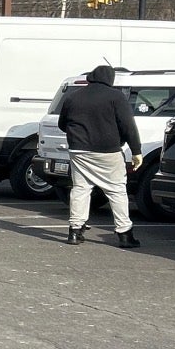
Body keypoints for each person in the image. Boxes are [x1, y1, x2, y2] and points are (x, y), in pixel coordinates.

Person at [57, 64, 142, 248]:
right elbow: (128, 125)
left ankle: (75, 231)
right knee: (116, 190)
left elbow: (62, 124)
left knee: (81, 189)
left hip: (79, 151)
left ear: (91, 77)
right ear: (110, 79)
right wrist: (136, 150)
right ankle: (124, 234)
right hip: (108, 151)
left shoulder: (73, 97)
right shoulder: (116, 97)